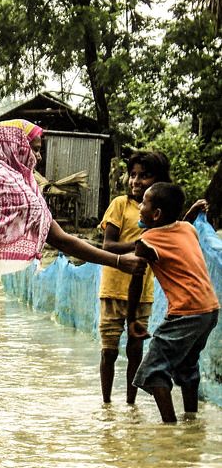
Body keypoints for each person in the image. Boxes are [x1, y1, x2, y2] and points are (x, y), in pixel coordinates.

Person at [0, 120, 148, 422]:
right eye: (33, 150)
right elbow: (61, 239)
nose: (38, 158)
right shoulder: (15, 187)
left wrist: (118, 262)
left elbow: (61, 239)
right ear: (14, 147)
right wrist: (118, 261)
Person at [127, 187, 219, 423]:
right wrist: (189, 213)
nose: (140, 206)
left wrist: (132, 319)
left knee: (153, 370)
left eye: (144, 203)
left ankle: (169, 428)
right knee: (188, 366)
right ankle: (191, 422)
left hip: (186, 312)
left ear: (156, 214)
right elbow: (178, 227)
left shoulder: (146, 240)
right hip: (209, 309)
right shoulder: (188, 228)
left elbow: (136, 279)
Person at [98, 150, 172, 405]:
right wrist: (138, 245)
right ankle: (106, 403)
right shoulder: (120, 204)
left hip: (142, 293)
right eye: (133, 175)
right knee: (108, 351)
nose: (136, 181)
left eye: (144, 176)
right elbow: (108, 245)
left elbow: (177, 233)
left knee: (135, 350)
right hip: (112, 290)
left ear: (158, 180)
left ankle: (130, 404)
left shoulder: (157, 214)